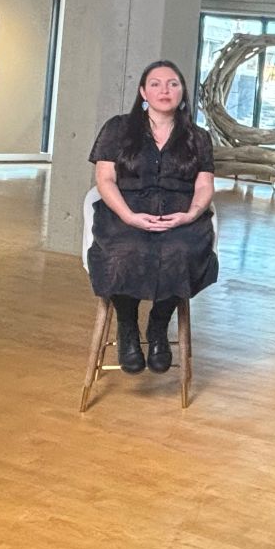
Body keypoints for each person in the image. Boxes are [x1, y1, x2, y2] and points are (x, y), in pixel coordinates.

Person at [88, 60, 218, 374]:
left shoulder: (198, 137)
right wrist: (129, 216)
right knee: (125, 250)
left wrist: (190, 215)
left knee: (180, 251)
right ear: (143, 91)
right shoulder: (118, 128)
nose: (165, 90)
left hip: (179, 214)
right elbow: (104, 179)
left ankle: (159, 326)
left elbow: (204, 183)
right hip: (125, 210)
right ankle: (128, 327)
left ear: (183, 92)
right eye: (156, 83)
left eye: (173, 83)